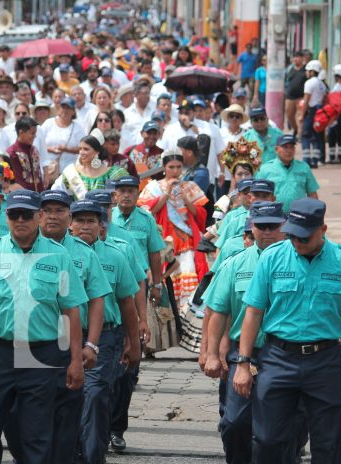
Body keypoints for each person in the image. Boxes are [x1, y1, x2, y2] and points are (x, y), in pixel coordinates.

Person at [233, 198, 341, 463]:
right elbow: (253, 311)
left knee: (327, 443)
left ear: (323, 229)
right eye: (292, 235)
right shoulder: (273, 258)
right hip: (277, 358)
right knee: (267, 440)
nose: (297, 243)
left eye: (304, 238)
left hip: (325, 362)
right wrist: (243, 362)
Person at [0, 189, 87, 464]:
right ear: (7, 217)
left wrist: (76, 360)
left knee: (35, 433)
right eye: (15, 215)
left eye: (27, 215)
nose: (20, 221)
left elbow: (71, 311)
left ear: (38, 217)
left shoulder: (58, 255)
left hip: (42, 355)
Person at [204, 201, 287, 463]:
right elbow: (218, 311)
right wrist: (212, 353)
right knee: (235, 423)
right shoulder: (235, 264)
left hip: (285, 353)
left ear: (284, 227)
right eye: (261, 226)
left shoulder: (296, 263)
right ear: (251, 227)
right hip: (244, 354)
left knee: (279, 431)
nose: (267, 232)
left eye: (274, 226)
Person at [69, 199, 141, 464]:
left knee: (96, 395)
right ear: (70, 224)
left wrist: (133, 342)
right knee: (68, 397)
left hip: (106, 337)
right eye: (80, 220)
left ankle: (92, 456)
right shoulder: (60, 253)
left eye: (91, 221)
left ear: (102, 225)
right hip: (64, 336)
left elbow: (126, 301)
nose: (85, 226)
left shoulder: (115, 255)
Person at [110, 175, 161, 450]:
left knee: (126, 377)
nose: (126, 196)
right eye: (121, 191)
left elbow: (152, 257)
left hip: (131, 301)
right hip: (103, 315)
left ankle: (117, 428)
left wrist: (158, 283)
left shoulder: (140, 225)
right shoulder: (86, 232)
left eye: (131, 191)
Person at [138, 148, 209, 314]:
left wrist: (185, 197)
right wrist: (167, 192)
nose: (175, 171)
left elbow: (200, 214)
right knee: (166, 275)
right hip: (163, 238)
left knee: (187, 272)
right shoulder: (153, 187)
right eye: (171, 167)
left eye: (178, 167)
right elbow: (151, 209)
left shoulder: (190, 186)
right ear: (164, 167)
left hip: (186, 239)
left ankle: (186, 313)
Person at [52, 129, 128, 200]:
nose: (81, 152)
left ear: (97, 152)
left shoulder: (111, 174)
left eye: (86, 149)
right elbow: (56, 193)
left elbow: (114, 200)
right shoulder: (72, 172)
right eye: (80, 149)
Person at [256, 135, 319, 213]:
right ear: (276, 149)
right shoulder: (265, 169)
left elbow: (312, 194)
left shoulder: (304, 167)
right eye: (285, 147)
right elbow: (257, 195)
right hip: (274, 216)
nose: (289, 150)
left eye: (292, 147)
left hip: (299, 216)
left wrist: (314, 213)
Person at [38, 96, 85, 179]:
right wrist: (50, 149)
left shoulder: (78, 128)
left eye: (68, 108)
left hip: (70, 172)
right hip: (49, 170)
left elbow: (83, 148)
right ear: (58, 109)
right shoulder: (49, 123)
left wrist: (66, 149)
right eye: (63, 107)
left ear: (73, 111)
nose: (65, 110)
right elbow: (38, 142)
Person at [300, 60, 327, 168]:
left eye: (308, 71)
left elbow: (306, 100)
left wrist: (302, 115)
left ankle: (306, 159)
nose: (306, 73)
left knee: (305, 135)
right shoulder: (322, 84)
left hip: (311, 111)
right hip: (319, 111)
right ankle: (315, 160)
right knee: (316, 136)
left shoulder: (309, 83)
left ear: (312, 71)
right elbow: (324, 100)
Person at [6, 116, 45, 192]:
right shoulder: (12, 153)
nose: (35, 136)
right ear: (21, 133)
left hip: (37, 195)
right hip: (22, 196)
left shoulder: (34, 150)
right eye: (32, 133)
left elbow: (38, 175)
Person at [284, 51, 307, 135]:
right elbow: (286, 80)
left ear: (302, 59)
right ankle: (295, 129)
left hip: (301, 97)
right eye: (295, 57)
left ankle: (300, 134)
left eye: (298, 57)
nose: (296, 59)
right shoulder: (290, 69)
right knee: (289, 115)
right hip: (290, 97)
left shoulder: (305, 70)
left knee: (300, 116)